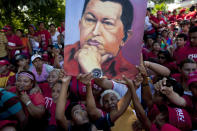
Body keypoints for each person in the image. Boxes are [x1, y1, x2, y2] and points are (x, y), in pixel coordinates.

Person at [64, 0, 138, 79]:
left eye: (108, 23)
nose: (95, 32)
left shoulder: (130, 72)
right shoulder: (66, 55)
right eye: (90, 20)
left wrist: (94, 69)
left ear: (125, 37)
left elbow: (113, 91)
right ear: (80, 25)